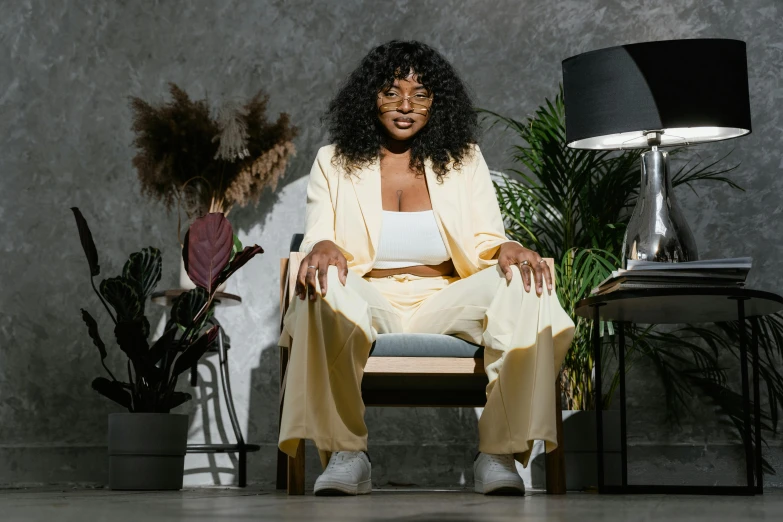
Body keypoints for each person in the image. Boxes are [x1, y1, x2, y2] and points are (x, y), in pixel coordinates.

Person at [278, 40, 575, 496]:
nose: (405, 106)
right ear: (369, 97)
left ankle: (497, 455)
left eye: (420, 94)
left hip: (443, 297)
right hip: (366, 294)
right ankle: (347, 453)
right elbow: (322, 233)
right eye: (391, 92)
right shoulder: (333, 161)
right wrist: (322, 246)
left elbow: (486, 239)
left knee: (526, 286)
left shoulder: (464, 159)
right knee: (322, 286)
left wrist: (510, 248)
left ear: (437, 103)